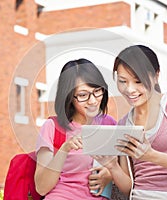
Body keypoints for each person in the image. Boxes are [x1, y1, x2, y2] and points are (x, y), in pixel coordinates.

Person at [95, 45, 167, 199]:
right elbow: (128, 187)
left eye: (138, 81)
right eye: (122, 81)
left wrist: (151, 155)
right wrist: (112, 166)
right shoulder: (123, 124)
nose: (130, 89)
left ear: (156, 76)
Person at [34, 58, 117, 200]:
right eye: (83, 95)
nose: (93, 101)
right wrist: (65, 148)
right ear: (69, 97)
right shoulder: (52, 127)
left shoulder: (110, 124)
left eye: (97, 91)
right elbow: (41, 188)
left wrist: (110, 175)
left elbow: (127, 171)